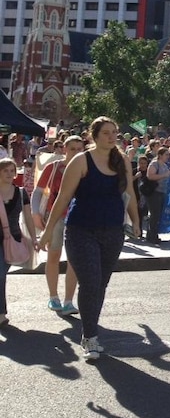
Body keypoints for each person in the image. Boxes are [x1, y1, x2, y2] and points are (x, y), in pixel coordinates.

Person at [38, 116, 140, 359]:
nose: (112, 136)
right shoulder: (80, 161)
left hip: (113, 231)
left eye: (114, 132)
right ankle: (90, 336)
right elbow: (63, 198)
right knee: (91, 282)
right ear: (93, 136)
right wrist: (48, 230)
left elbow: (130, 194)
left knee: (101, 284)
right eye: (106, 133)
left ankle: (90, 329)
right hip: (81, 230)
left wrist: (136, 221)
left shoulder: (122, 160)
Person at [32, 135, 85, 315]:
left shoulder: (86, 169)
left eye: (80, 149)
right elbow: (38, 193)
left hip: (77, 218)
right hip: (55, 217)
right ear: (64, 149)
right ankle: (53, 297)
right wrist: (36, 214)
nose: (77, 152)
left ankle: (69, 301)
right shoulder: (53, 168)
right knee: (53, 255)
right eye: (73, 149)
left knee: (74, 260)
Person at [0, 158, 39, 329]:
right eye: (5, 171)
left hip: (12, 238)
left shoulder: (22, 193)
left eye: (11, 171)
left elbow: (28, 217)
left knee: (1, 275)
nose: (9, 174)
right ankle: (1, 314)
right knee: (0, 275)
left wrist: (34, 238)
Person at [144, 147, 170, 243]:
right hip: (154, 192)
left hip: (162, 192)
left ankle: (153, 234)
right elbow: (150, 176)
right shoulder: (154, 164)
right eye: (166, 154)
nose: (168, 156)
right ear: (160, 155)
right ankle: (151, 236)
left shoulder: (164, 165)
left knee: (158, 215)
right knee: (154, 214)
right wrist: (164, 175)